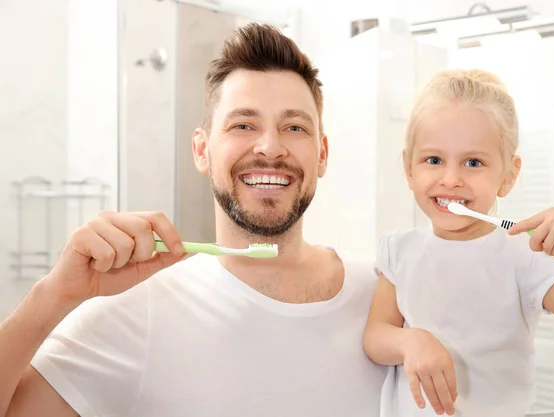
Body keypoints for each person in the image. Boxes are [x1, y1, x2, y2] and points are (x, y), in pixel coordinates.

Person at [0, 23, 387, 417]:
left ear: (321, 154)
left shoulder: (385, 295)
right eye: (243, 125)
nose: (270, 147)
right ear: (202, 150)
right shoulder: (139, 310)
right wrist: (52, 296)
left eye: (294, 127)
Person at [362, 69, 554, 417]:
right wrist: (409, 341)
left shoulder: (526, 256)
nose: (451, 178)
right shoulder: (400, 251)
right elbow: (375, 335)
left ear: (508, 176)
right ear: (409, 171)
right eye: (433, 160)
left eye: (473, 162)